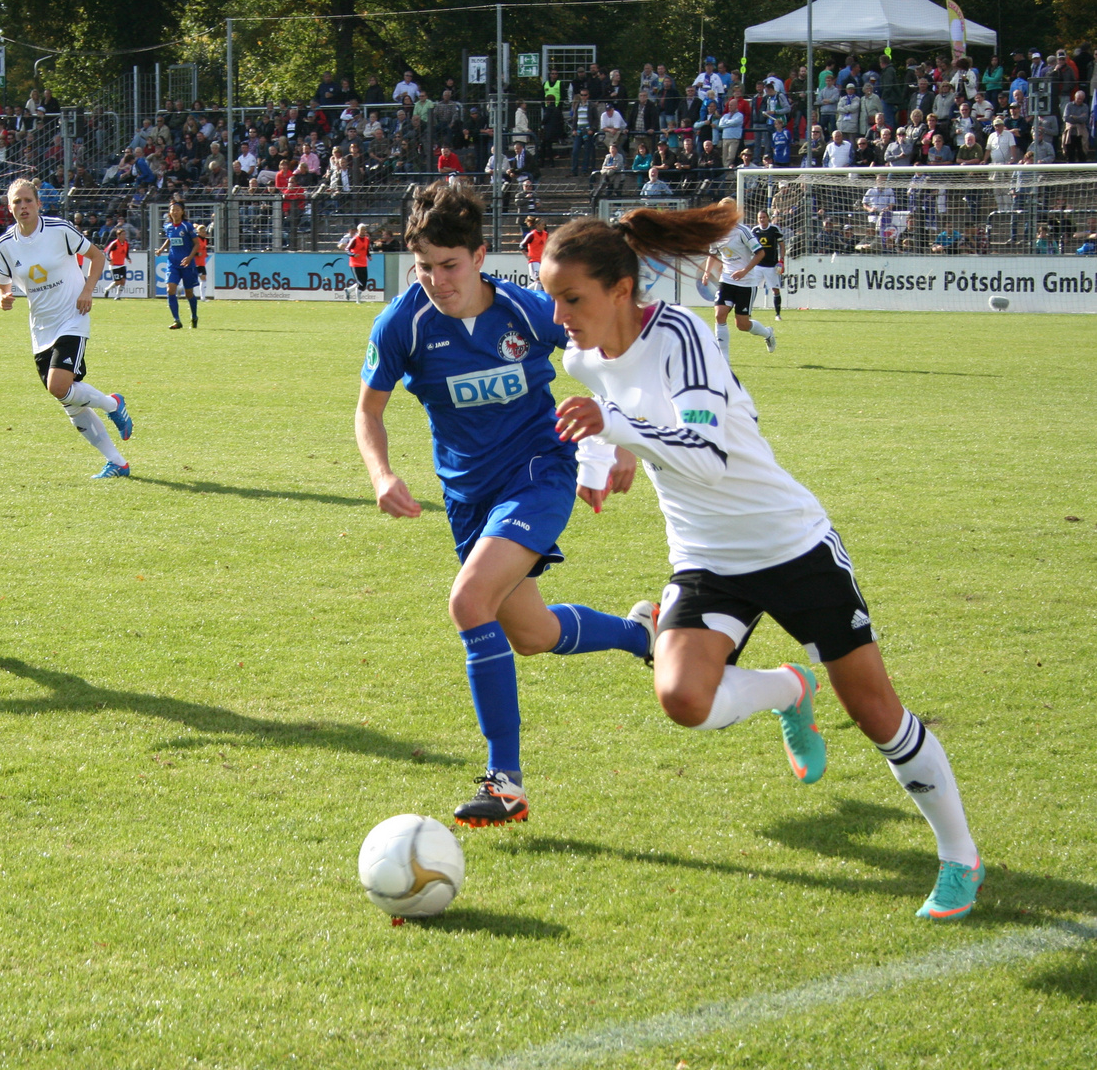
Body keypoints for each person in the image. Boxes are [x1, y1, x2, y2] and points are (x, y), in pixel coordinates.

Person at [543, 205, 987, 921]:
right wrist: (606, 456)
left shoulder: (683, 335)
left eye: (572, 299)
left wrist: (617, 430)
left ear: (621, 290)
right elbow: (616, 412)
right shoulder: (581, 357)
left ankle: (960, 854)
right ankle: (787, 690)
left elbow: (708, 456)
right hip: (706, 556)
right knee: (683, 698)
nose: (560, 315)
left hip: (789, 543)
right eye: (554, 299)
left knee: (877, 713)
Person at [354, 180, 656, 828]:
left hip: (539, 473)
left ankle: (505, 782)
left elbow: (612, 344)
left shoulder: (525, 312)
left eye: (450, 265)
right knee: (533, 635)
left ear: (480, 255)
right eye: (424, 266)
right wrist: (380, 473)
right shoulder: (402, 324)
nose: (437, 279)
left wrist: (622, 436)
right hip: (468, 499)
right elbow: (368, 411)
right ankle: (642, 635)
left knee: (467, 601)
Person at [0, 177, 134, 480]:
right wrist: (2, 297)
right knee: (68, 399)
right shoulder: (5, 245)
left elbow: (97, 256)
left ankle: (112, 405)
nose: (23, 206)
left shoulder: (59, 230)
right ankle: (118, 462)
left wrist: (88, 290)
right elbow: (2, 285)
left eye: (28, 200)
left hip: (72, 316)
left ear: (39, 203)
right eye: (17, 201)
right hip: (40, 328)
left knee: (58, 386)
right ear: (9, 208)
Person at [700, 198, 776, 357]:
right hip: (727, 280)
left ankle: (767, 334)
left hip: (746, 282)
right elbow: (712, 254)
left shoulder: (742, 231)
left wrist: (744, 270)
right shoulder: (716, 233)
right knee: (719, 314)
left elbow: (760, 253)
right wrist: (707, 272)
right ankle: (723, 361)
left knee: (742, 324)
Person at [156, 199, 200, 330]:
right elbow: (170, 238)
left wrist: (189, 257)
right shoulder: (168, 226)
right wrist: (161, 249)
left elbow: (197, 244)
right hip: (173, 263)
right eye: (172, 210)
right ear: (169, 212)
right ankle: (177, 320)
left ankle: (194, 316)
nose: (174, 212)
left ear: (182, 212)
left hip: (187, 264)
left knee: (189, 294)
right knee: (170, 290)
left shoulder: (187, 226)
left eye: (177, 210)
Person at [752, 208, 784, 319]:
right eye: (760, 218)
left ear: (768, 218)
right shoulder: (755, 230)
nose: (762, 219)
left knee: (775, 290)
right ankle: (748, 312)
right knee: (751, 288)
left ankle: (778, 314)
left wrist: (782, 260)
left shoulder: (774, 229)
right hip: (758, 265)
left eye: (764, 217)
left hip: (771, 266)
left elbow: (782, 245)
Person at [339, 222, 373, 302]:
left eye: (364, 229)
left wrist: (369, 255)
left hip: (363, 263)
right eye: (362, 229)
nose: (363, 231)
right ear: (358, 230)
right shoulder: (354, 239)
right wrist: (353, 255)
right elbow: (347, 249)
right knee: (360, 283)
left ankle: (349, 290)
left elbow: (366, 249)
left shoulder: (367, 239)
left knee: (363, 283)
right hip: (355, 263)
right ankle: (358, 301)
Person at [105, 226, 131, 300]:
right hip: (114, 266)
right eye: (122, 235)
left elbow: (126, 253)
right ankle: (107, 289)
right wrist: (109, 260)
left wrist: (128, 258)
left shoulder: (126, 244)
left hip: (122, 265)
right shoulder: (114, 243)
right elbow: (107, 252)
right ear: (118, 236)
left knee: (123, 281)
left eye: (124, 234)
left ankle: (117, 296)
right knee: (117, 282)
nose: (124, 236)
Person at [519, 217, 548, 281]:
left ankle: (525, 291)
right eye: (542, 225)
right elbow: (522, 245)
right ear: (537, 225)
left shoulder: (545, 234)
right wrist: (527, 256)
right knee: (538, 279)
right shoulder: (532, 235)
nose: (544, 226)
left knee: (539, 281)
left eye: (544, 225)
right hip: (534, 260)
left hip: (542, 260)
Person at [191, 223, 210, 301]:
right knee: (192, 280)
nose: (204, 233)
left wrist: (205, 254)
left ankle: (203, 297)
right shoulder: (196, 240)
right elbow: (190, 250)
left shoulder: (205, 240)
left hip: (201, 262)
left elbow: (203, 249)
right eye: (202, 231)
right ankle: (182, 290)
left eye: (204, 231)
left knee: (203, 278)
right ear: (198, 232)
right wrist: (197, 253)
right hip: (195, 262)